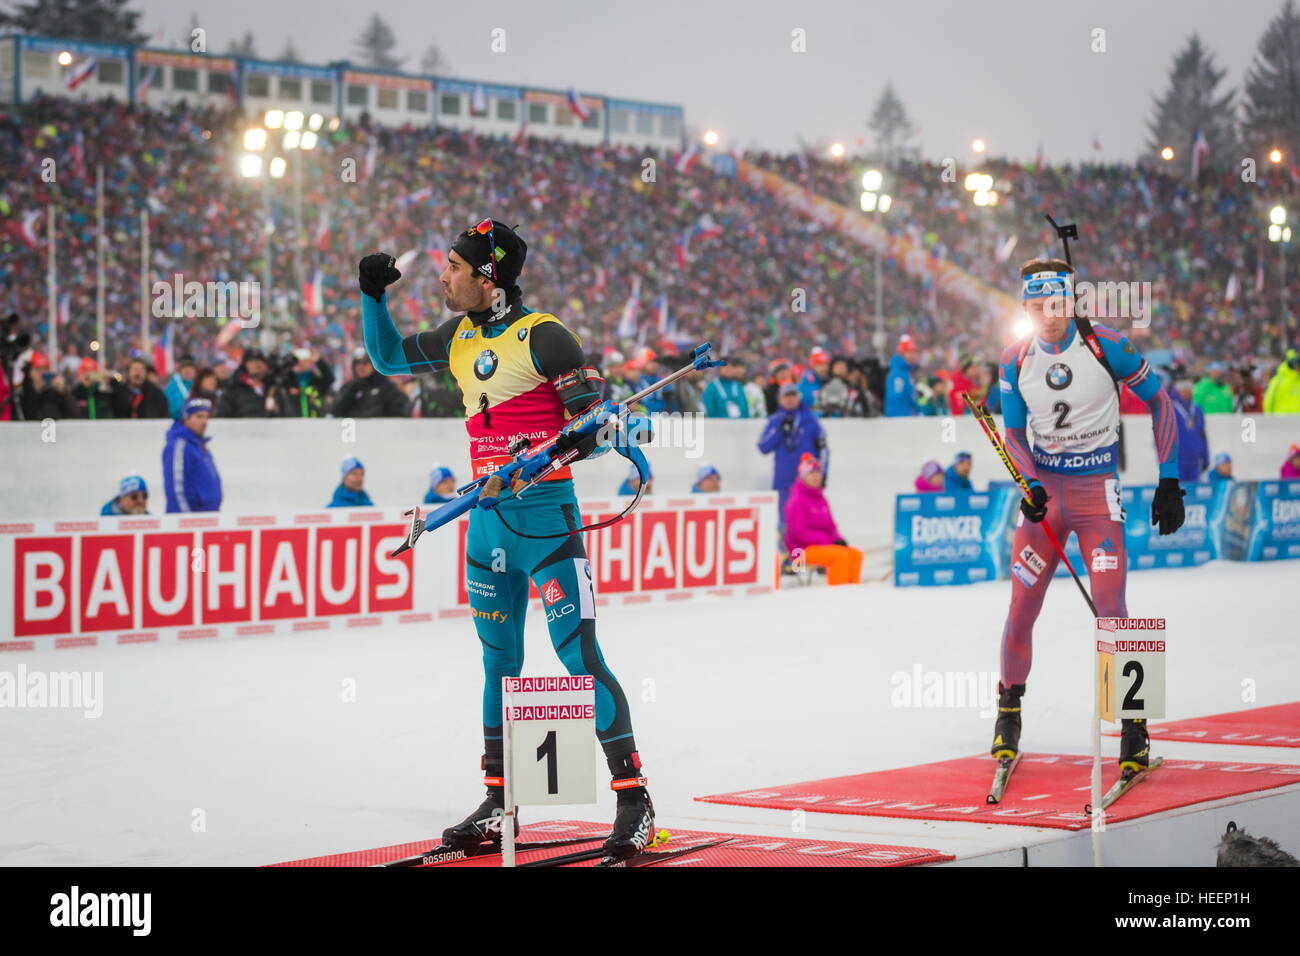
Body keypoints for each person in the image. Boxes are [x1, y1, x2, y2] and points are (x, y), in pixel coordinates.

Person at [357, 218, 653, 861]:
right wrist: (371, 297)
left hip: (546, 525)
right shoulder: (457, 335)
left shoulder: (543, 336)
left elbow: (591, 431)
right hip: (485, 525)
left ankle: (634, 802)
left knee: (578, 659)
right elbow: (385, 359)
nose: (443, 275)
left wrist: (535, 460)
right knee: (499, 665)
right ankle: (500, 803)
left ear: (488, 276)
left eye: (455, 268)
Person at [992, 257, 1183, 778]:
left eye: (1056, 304)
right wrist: (1028, 484)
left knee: (1111, 607)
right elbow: (1013, 434)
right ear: (1026, 308)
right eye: (1036, 307)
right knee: (1022, 604)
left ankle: (1134, 723)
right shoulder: (1013, 360)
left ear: (1071, 301)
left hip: (1098, 491)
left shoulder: (1107, 346)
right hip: (1047, 498)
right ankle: (1008, 712)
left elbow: (1162, 404)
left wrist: (1170, 478)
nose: (1048, 316)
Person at [784, 453, 863, 585]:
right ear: (803, 476)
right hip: (800, 551)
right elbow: (799, 532)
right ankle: (839, 591)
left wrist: (838, 539)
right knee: (840, 556)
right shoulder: (797, 500)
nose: (815, 477)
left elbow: (831, 527)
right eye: (811, 473)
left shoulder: (821, 500)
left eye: (817, 473)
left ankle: (852, 590)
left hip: (822, 547)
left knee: (855, 554)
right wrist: (829, 542)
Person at [757, 381, 828, 519]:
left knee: (810, 520)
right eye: (786, 396)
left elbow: (824, 450)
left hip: (806, 482)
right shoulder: (775, 420)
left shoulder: (811, 420)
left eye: (793, 395)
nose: (790, 399)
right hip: (783, 481)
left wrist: (823, 475)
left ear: (798, 397)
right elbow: (763, 447)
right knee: (785, 522)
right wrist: (780, 430)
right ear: (780, 399)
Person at [163, 397, 223, 513]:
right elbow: (176, 488)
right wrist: (187, 519)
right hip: (190, 521)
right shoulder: (179, 445)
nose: (204, 421)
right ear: (187, 418)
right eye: (199, 416)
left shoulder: (200, 446)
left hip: (207, 518)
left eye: (206, 417)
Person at [332, 347, 411, 418]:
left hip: (379, 431)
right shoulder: (349, 387)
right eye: (357, 363)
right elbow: (336, 412)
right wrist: (352, 391)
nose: (361, 367)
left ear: (373, 365)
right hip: (354, 431)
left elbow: (400, 412)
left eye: (365, 363)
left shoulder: (386, 387)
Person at [216, 348, 279, 418]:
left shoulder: (273, 387)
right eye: (251, 361)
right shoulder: (234, 388)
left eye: (260, 360)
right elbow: (222, 414)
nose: (257, 364)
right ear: (245, 365)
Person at [1170, 379, 1209, 483]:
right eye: (1184, 390)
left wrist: (1205, 457)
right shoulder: (1170, 409)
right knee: (1178, 491)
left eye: (1189, 390)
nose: (1187, 392)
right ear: (1178, 391)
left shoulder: (1197, 409)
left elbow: (1202, 435)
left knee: (1194, 490)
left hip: (1195, 458)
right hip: (1177, 459)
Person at [279, 347, 335, 418]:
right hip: (291, 423)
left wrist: (319, 361)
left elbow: (329, 378)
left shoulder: (316, 381)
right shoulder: (288, 380)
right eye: (302, 361)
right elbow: (278, 375)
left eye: (308, 361)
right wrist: (288, 360)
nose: (304, 363)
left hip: (315, 422)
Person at [884, 336, 919, 417]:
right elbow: (895, 400)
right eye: (910, 352)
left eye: (914, 352)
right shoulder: (897, 375)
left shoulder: (906, 373)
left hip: (908, 419)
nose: (913, 355)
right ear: (903, 354)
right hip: (901, 422)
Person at [164, 354, 197, 420]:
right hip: (177, 421)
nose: (188, 371)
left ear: (195, 371)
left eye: (190, 368)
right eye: (185, 368)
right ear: (180, 371)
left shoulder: (198, 386)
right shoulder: (172, 386)